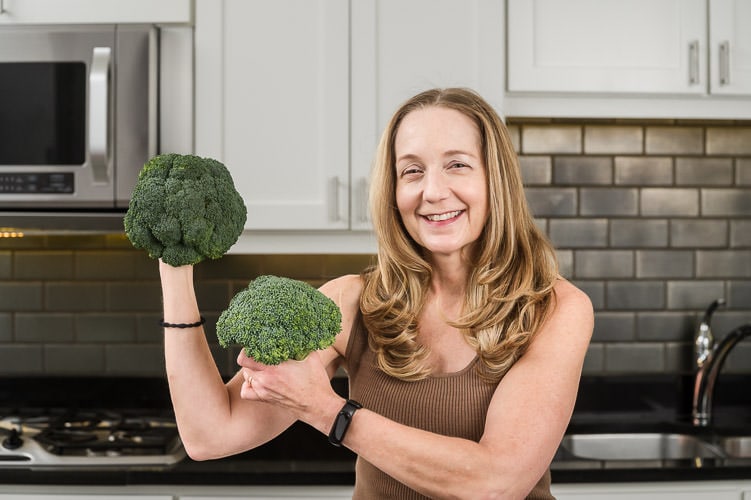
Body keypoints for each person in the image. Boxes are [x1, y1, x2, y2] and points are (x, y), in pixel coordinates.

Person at [159, 87, 593, 499]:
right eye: (412, 170)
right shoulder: (351, 304)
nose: (433, 191)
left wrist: (327, 411)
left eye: (457, 164)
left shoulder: (554, 309)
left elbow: (496, 484)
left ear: (495, 178)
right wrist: (174, 262)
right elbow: (209, 435)